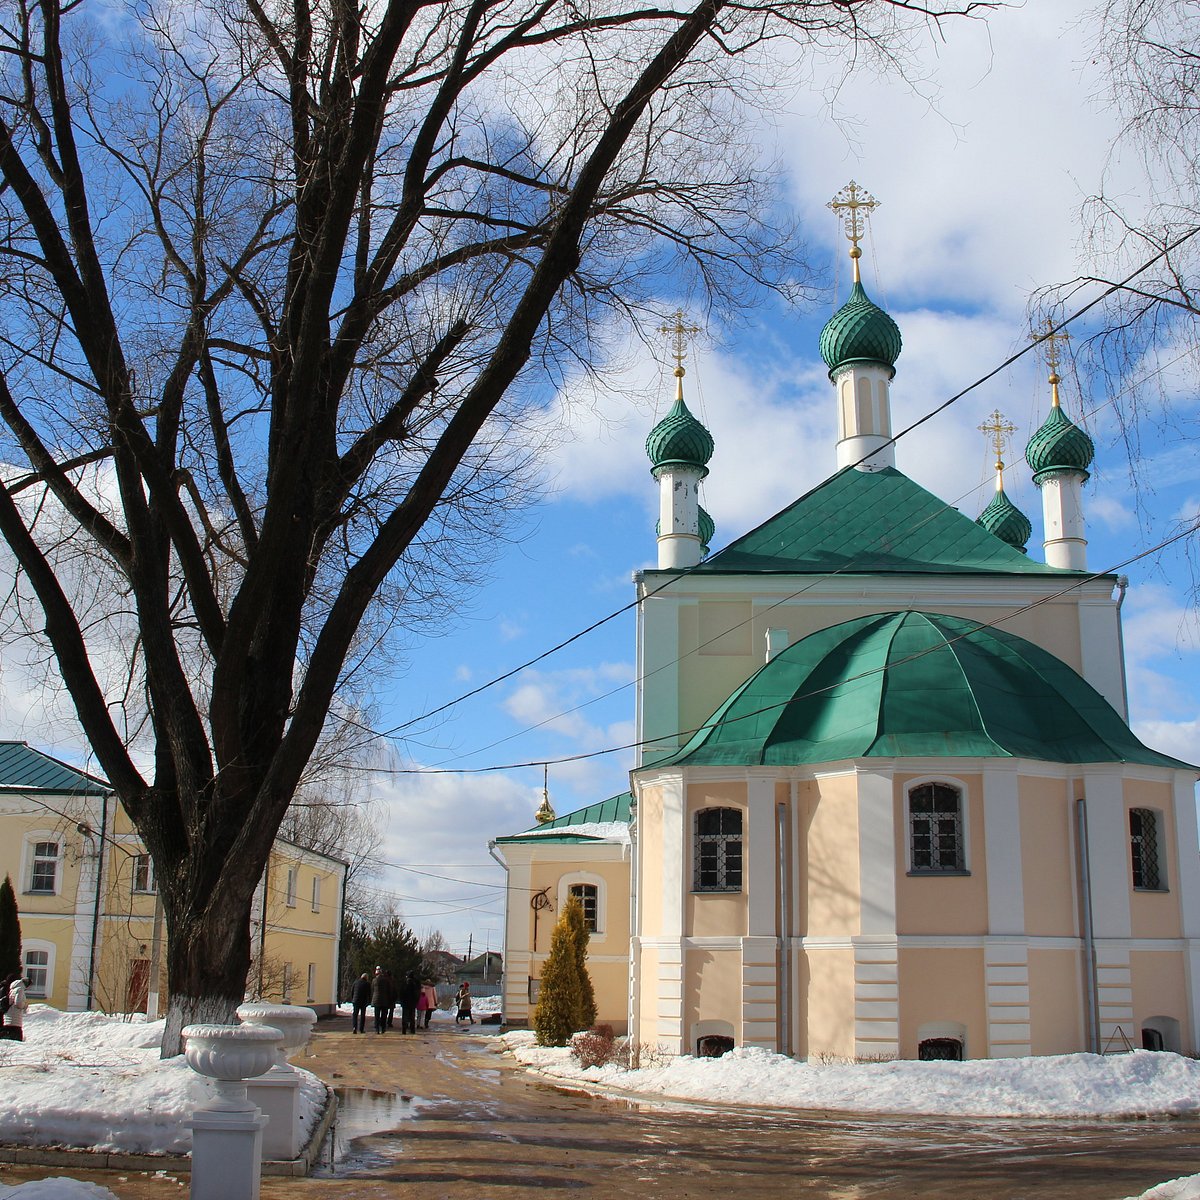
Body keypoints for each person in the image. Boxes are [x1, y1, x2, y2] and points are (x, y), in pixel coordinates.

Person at [370, 966, 392, 1034]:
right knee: (384, 1015)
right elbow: (389, 990)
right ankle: (383, 1028)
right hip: (384, 1000)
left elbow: (372, 990)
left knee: (377, 1015)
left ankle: (377, 1028)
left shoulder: (374, 980)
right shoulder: (386, 980)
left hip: (376, 1000)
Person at [398, 970, 421, 1035]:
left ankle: (404, 1030)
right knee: (412, 1016)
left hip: (405, 1003)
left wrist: (401, 1001)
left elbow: (401, 993)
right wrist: (416, 1001)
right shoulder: (416, 983)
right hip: (413, 1003)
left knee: (405, 1016)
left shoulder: (404, 982)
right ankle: (412, 1030)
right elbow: (418, 993)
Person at [7, 974, 27, 1041]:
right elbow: (18, 1003)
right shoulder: (20, 989)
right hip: (15, 1018)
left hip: (9, 1016)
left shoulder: (13, 989)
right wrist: (24, 1005)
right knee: (16, 1041)